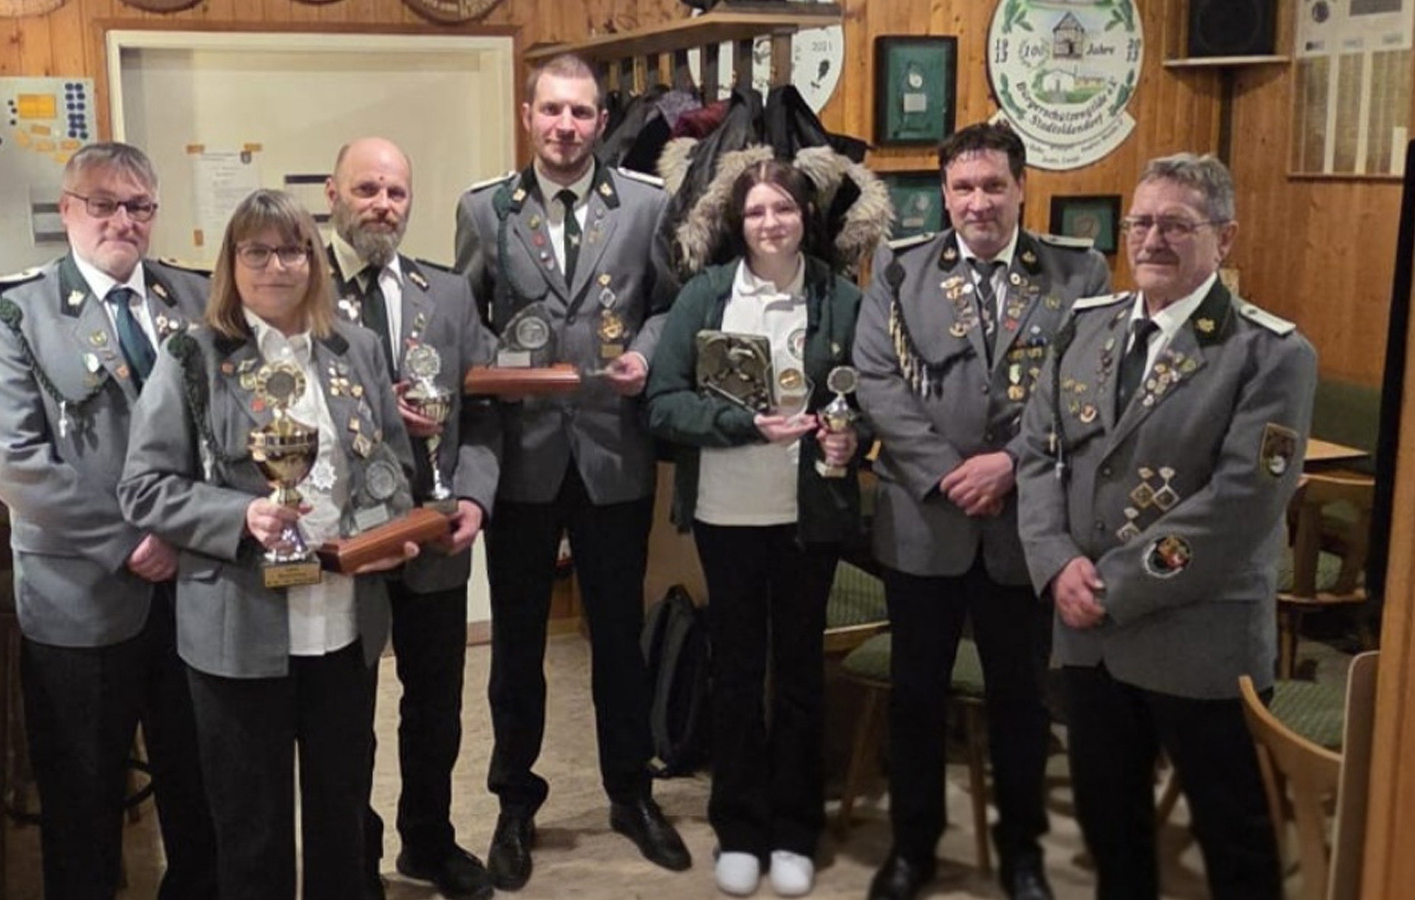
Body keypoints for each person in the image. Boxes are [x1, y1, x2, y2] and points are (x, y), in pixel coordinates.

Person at [1016, 153, 1314, 900]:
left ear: (1224, 237)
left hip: (1198, 638)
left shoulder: (1267, 354)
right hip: (1089, 637)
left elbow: (1243, 502)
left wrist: (1110, 586)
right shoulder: (1085, 330)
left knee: (1236, 843)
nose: (1152, 240)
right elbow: (1038, 455)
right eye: (1141, 223)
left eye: (1177, 225)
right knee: (1112, 834)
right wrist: (1054, 561)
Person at [117, 188, 420, 900]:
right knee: (251, 830)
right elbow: (143, 488)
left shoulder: (356, 348)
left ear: (314, 261)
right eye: (257, 252)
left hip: (344, 624)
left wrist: (391, 532)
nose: (277, 266)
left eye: (292, 250)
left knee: (342, 814)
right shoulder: (191, 357)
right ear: (232, 264)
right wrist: (240, 516)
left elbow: (393, 467)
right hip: (238, 631)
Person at [853, 122, 1111, 900]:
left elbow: (1088, 387)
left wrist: (1009, 464)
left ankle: (1023, 854)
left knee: (1022, 701)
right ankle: (913, 850)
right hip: (924, 520)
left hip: (1024, 525)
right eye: (963, 187)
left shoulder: (1077, 271)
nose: (979, 202)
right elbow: (876, 379)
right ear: (943, 193)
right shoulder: (901, 268)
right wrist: (946, 473)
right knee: (917, 696)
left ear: (1022, 187)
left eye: (994, 185)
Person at [453, 52, 687, 890]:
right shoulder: (485, 209)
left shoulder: (647, 203)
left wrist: (648, 358)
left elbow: (669, 304)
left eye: (581, 112)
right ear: (528, 116)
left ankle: (631, 792)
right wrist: (507, 367)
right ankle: (515, 804)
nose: (565, 126)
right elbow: (466, 318)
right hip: (522, 456)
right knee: (517, 648)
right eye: (552, 110)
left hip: (612, 453)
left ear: (600, 121)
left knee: (618, 639)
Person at [0, 141, 217, 900]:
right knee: (82, 803)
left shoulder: (198, 298)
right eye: (103, 204)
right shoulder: (8, 312)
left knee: (201, 786)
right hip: (81, 600)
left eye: (139, 206)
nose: (122, 220)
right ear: (68, 210)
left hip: (197, 588)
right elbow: (15, 463)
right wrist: (130, 542)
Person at [646, 159, 864, 898]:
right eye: (756, 212)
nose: (770, 223)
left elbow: (869, 399)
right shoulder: (706, 296)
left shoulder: (843, 299)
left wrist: (852, 438)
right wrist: (743, 425)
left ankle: (795, 829)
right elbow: (663, 402)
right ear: (737, 224)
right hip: (727, 513)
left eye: (784, 209)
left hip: (809, 516)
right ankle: (739, 827)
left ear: (807, 217)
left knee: (800, 675)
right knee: (736, 672)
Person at [324, 136, 500, 900]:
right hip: (347, 543)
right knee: (345, 712)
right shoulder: (299, 287)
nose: (382, 205)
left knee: (436, 706)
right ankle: (353, 854)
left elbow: (484, 412)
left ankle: (429, 841)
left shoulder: (448, 294)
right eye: (366, 189)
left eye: (395, 192)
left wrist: (476, 496)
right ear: (333, 194)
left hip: (434, 534)